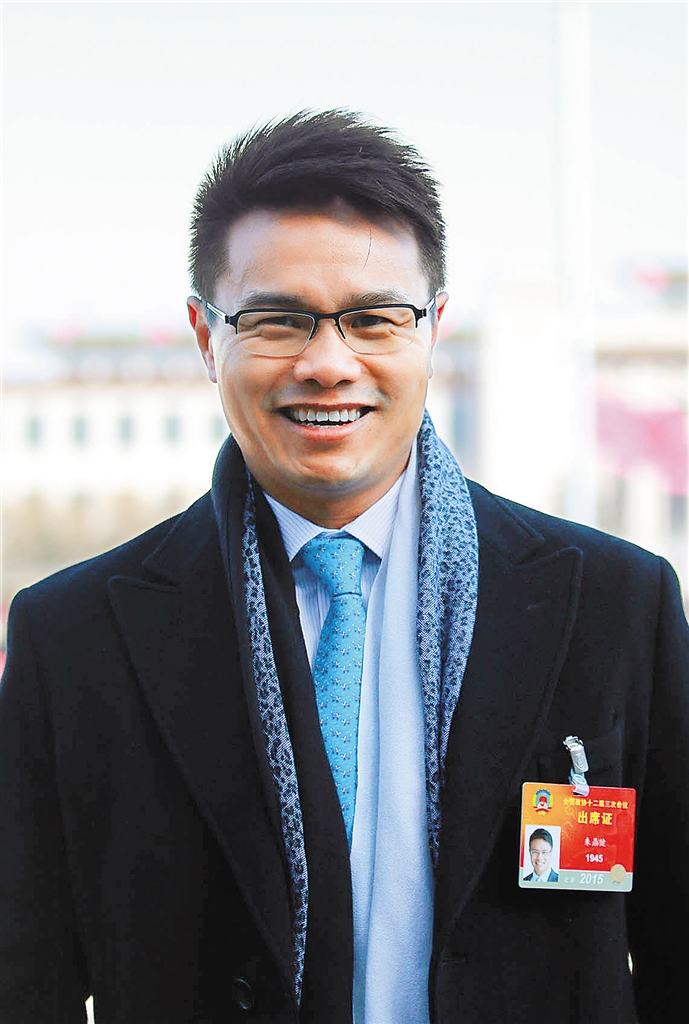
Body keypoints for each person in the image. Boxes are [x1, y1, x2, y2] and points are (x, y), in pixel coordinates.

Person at [1, 110, 688, 1024]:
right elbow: (28, 981)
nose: (328, 364)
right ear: (206, 336)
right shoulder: (74, 637)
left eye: (373, 319)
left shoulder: (612, 607)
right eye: (277, 320)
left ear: (432, 329)